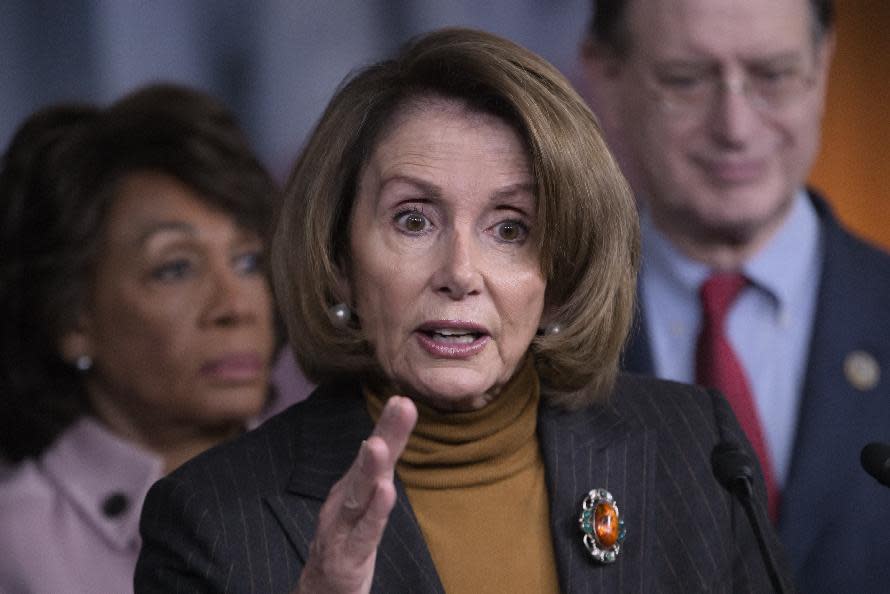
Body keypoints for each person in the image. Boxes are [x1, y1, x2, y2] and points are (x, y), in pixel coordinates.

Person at [134, 28, 791, 593]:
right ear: (339, 257)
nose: (458, 274)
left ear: (559, 272)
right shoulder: (210, 518)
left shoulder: (696, 450)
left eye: (510, 228)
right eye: (413, 220)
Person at [581, 0, 890, 591]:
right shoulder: (538, 337)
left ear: (822, 68)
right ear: (607, 76)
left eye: (772, 76)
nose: (735, 127)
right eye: (686, 80)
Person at [0, 83, 282, 593]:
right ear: (72, 319)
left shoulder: (344, 481)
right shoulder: (16, 544)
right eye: (176, 268)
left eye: (247, 262)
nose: (236, 306)